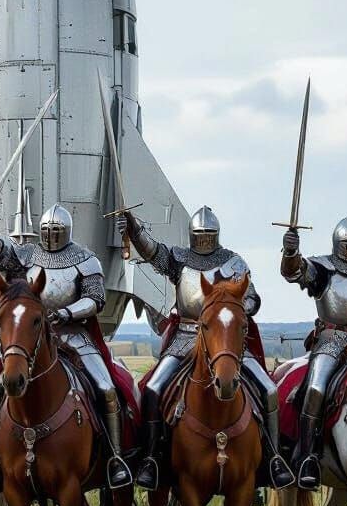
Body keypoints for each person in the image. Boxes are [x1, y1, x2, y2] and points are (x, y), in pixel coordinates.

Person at [118, 205, 294, 490]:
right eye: (199, 235)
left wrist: (231, 307)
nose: (203, 241)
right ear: (191, 235)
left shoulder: (233, 263)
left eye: (208, 235)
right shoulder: (180, 260)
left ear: (217, 235)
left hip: (226, 342)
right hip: (186, 336)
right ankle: (151, 457)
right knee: (152, 389)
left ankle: (273, 457)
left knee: (269, 389)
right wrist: (134, 229)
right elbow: (152, 252)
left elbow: (252, 299)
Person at [0, 203, 132, 489]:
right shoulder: (28, 255)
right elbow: (1, 254)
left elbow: (96, 299)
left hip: (74, 336)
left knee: (106, 388)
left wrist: (68, 313)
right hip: (32, 339)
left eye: (56, 231)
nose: (51, 236)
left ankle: (114, 458)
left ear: (67, 232)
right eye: (47, 231)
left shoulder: (85, 259)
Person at [280, 218, 347, 490]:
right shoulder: (324, 268)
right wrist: (291, 253)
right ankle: (307, 457)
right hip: (330, 340)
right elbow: (296, 273)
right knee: (316, 388)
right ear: (338, 244)